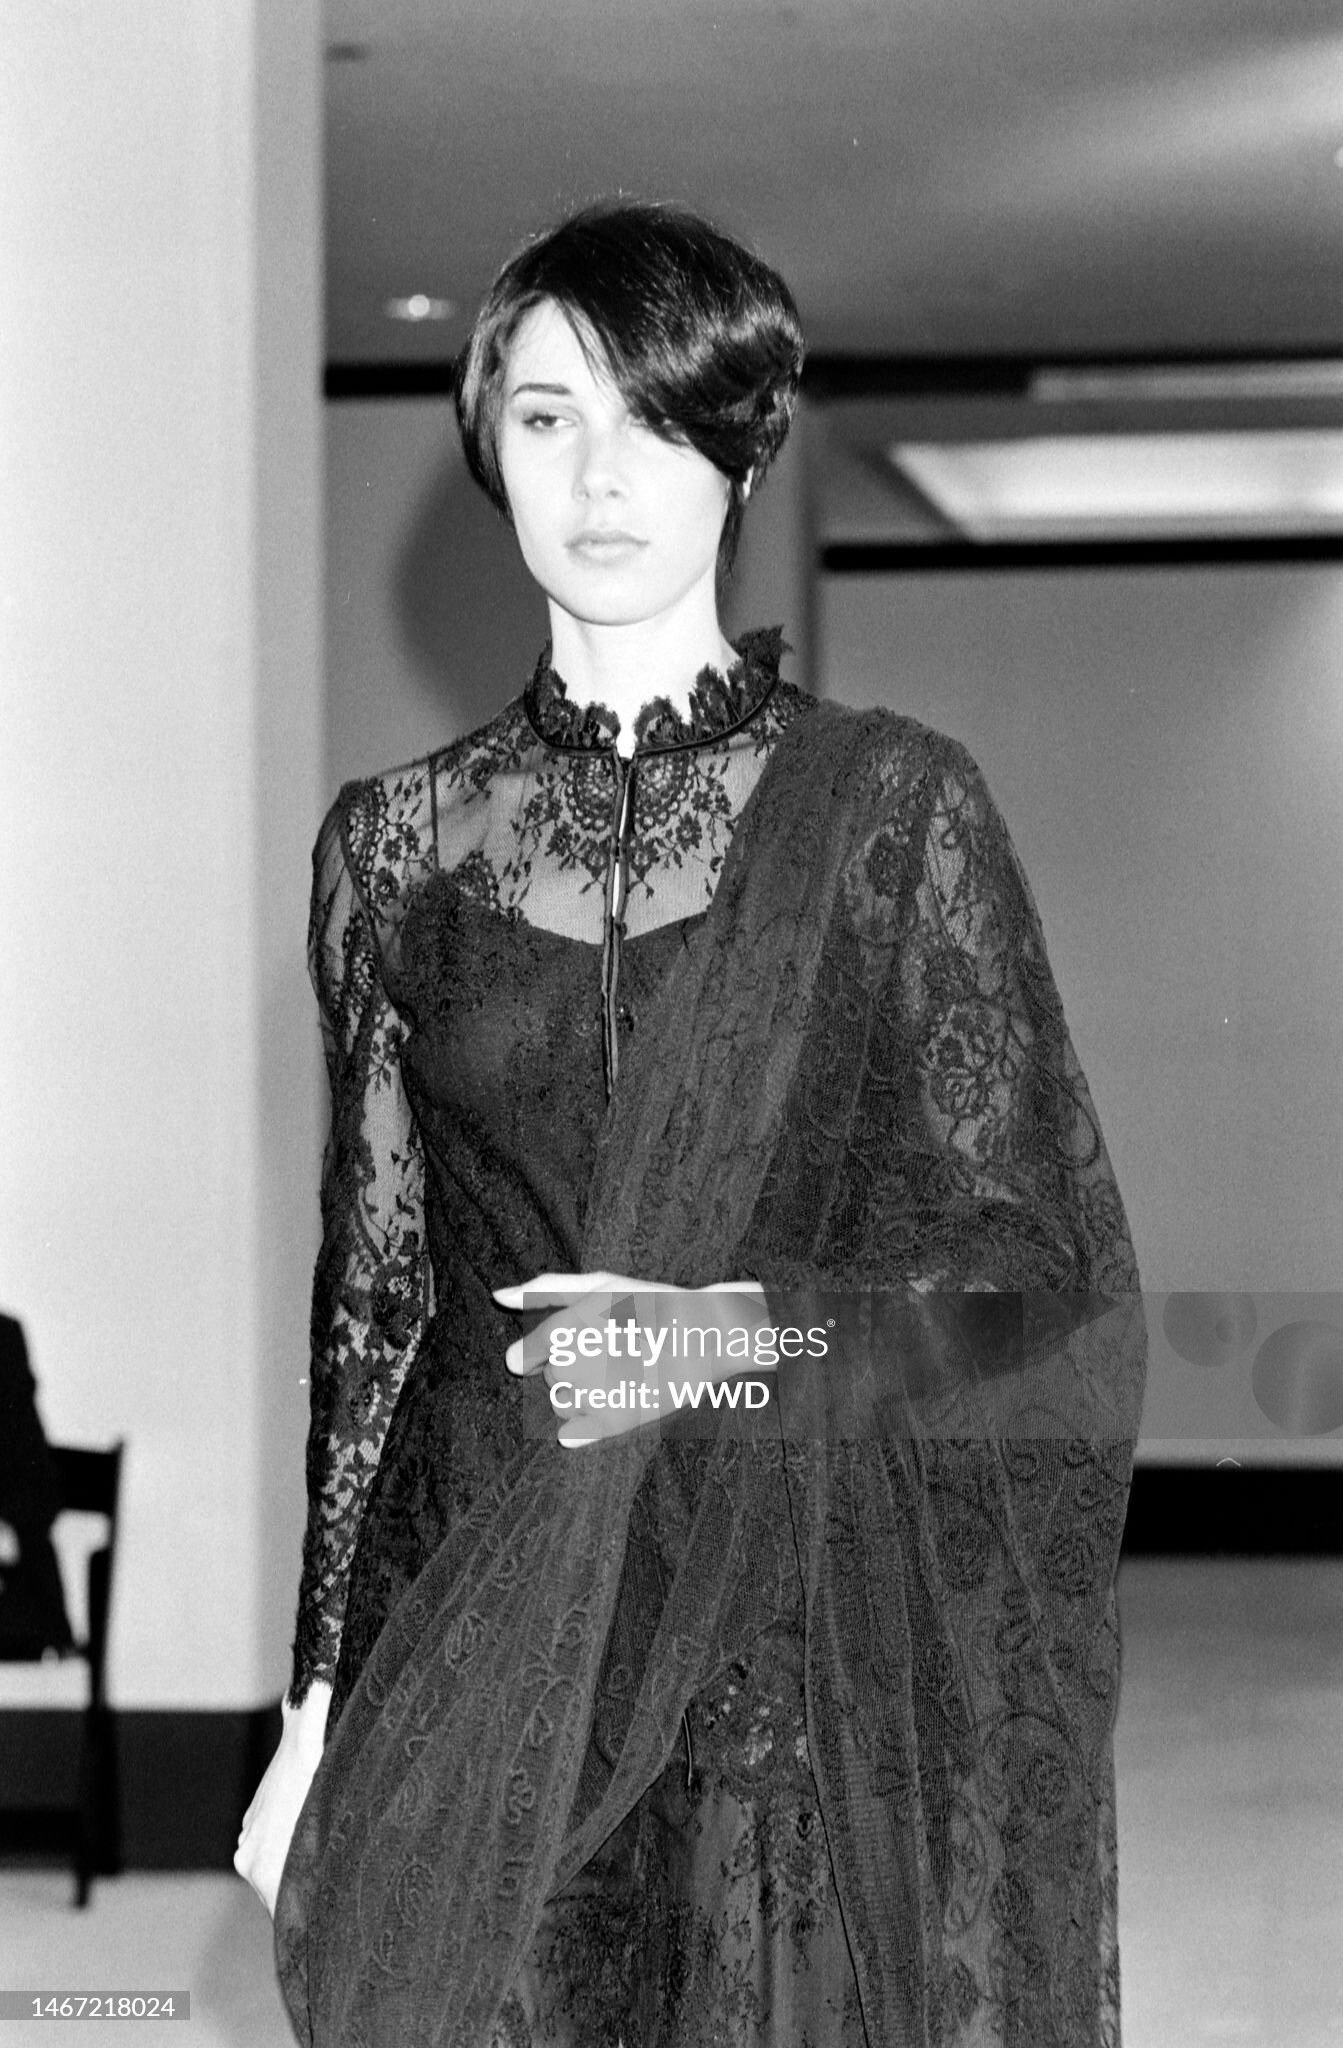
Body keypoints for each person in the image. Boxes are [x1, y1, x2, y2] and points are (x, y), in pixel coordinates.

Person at [236, 201, 1145, 2048]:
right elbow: (378, 1311)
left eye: (653, 419)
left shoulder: (890, 813)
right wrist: (317, 1705)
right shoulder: (389, 849)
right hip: (478, 1614)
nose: (599, 477)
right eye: (549, 417)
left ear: (741, 447)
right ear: (488, 445)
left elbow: (1038, 1286)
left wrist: (715, 1342)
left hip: (778, 1641)